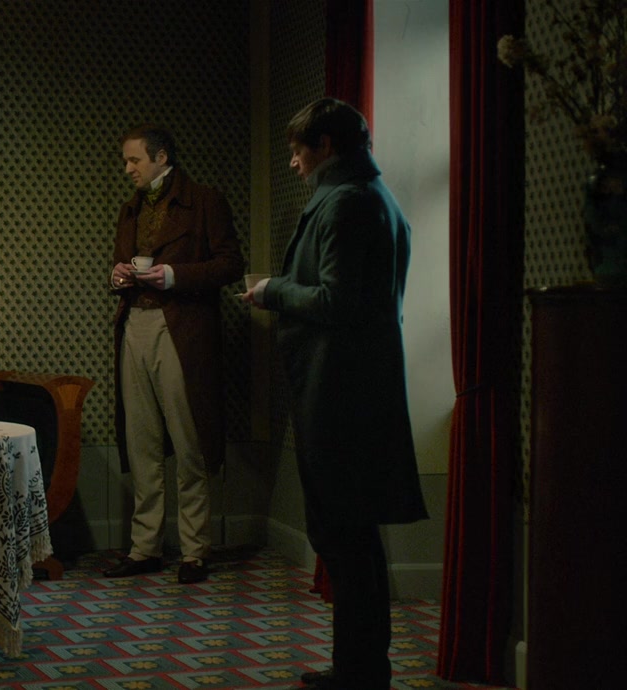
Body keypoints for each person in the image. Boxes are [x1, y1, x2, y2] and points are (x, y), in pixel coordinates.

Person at [243, 98, 429, 690]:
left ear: (324, 146)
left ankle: (361, 672)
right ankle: (361, 668)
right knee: (352, 537)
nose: (293, 162)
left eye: (298, 149)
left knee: (346, 537)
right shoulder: (371, 196)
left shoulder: (347, 201)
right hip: (352, 391)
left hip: (340, 395)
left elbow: (336, 300)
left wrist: (272, 290)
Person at [106, 125, 244, 585]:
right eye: (126, 161)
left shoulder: (204, 201)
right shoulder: (131, 208)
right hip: (136, 323)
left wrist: (174, 276)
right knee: (141, 440)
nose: (127, 169)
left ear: (161, 157)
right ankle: (145, 547)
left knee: (189, 440)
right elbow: (123, 261)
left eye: (134, 160)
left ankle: (194, 550)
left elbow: (231, 264)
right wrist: (119, 276)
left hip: (182, 327)